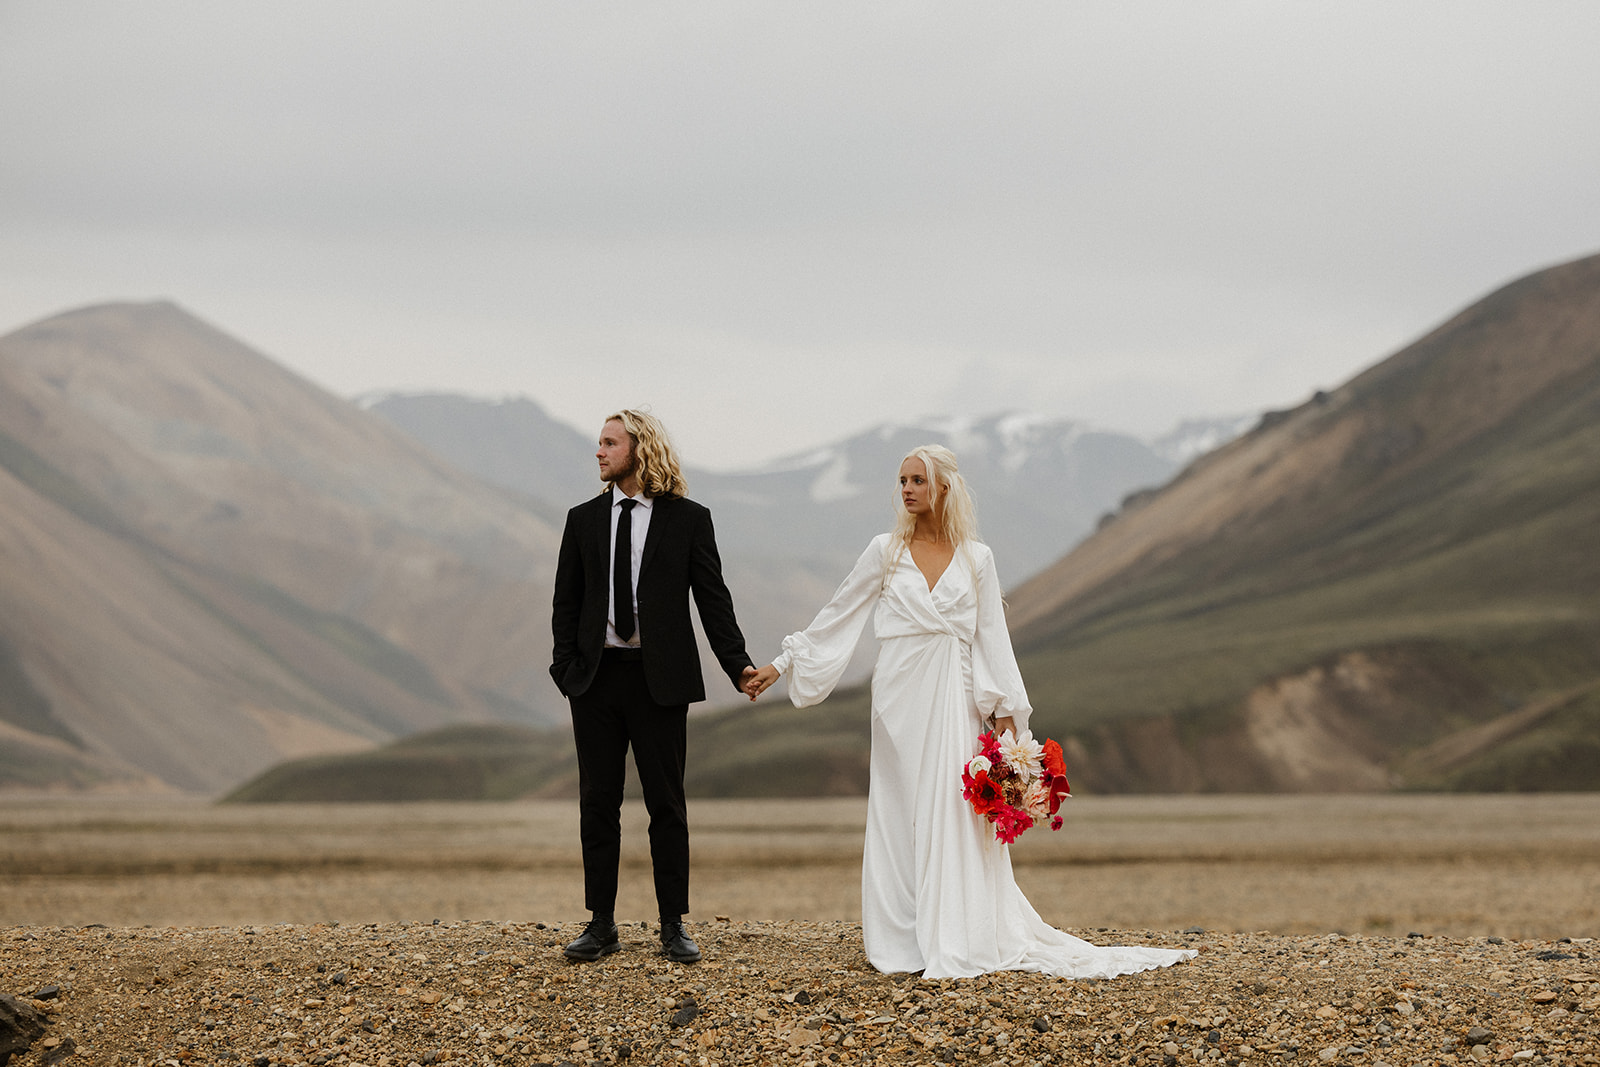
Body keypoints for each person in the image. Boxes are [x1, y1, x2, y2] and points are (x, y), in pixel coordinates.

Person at [744, 445, 1195, 980]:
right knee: (900, 808)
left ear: (944, 488)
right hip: (898, 697)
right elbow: (838, 613)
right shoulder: (884, 551)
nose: (907, 489)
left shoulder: (977, 558)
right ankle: (905, 936)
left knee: (952, 811)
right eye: (902, 480)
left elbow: (991, 637)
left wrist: (1006, 711)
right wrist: (783, 662)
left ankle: (958, 932)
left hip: (955, 694)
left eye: (918, 480)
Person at [551, 409, 758, 964]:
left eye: (609, 443)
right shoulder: (582, 519)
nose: (598, 452)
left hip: (659, 682)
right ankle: (600, 925)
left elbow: (713, 601)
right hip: (596, 682)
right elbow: (566, 603)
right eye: (598, 442)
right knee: (599, 802)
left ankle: (674, 926)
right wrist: (566, 672)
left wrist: (737, 665)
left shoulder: (688, 520)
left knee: (667, 804)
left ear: (639, 450)